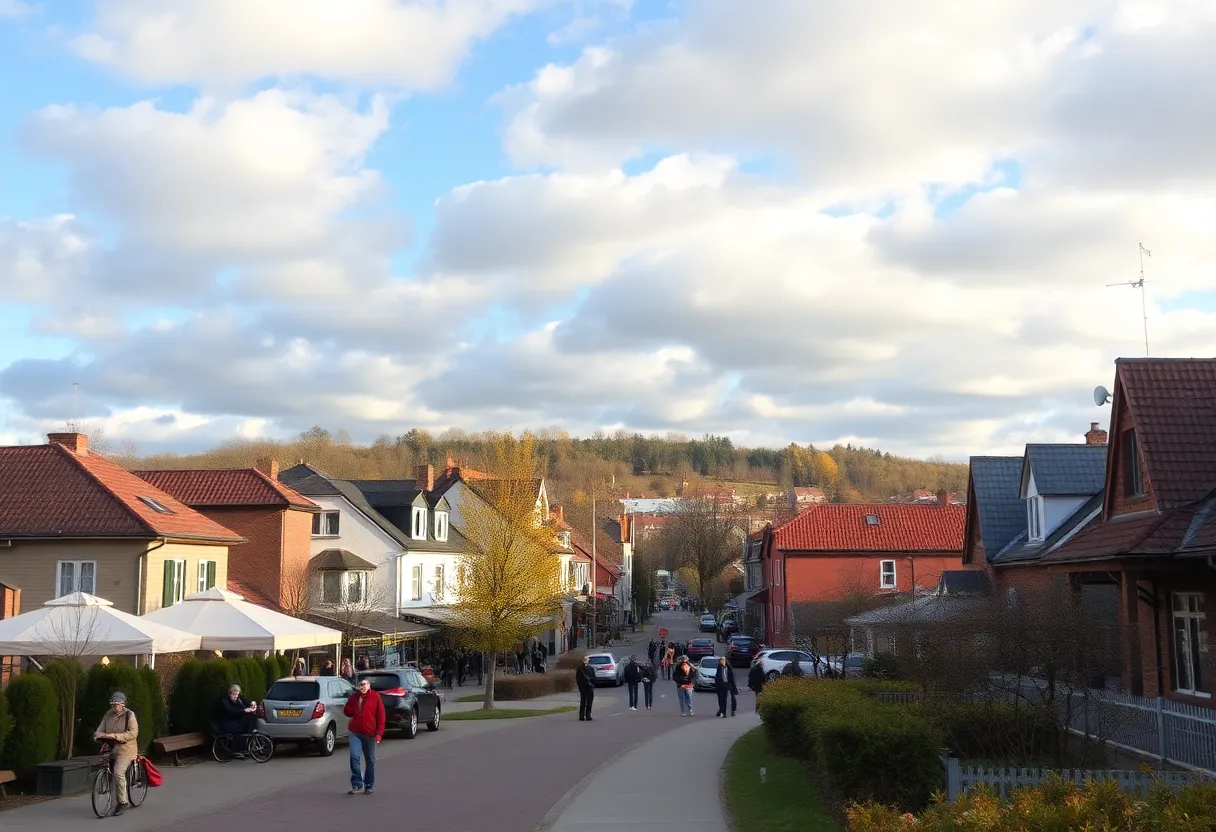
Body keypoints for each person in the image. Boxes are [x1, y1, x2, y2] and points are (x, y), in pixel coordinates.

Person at [94, 691, 138, 816]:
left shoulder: (130, 715)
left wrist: (116, 736)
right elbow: (100, 729)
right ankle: (109, 794)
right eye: (113, 704)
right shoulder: (108, 714)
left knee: (118, 772)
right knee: (105, 767)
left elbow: (133, 733)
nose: (115, 707)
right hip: (111, 749)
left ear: (123, 704)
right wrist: (98, 735)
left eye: (117, 704)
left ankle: (123, 802)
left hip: (126, 750)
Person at [343, 676, 385, 795]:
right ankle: (356, 783)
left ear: (369, 685)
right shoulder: (354, 697)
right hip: (355, 732)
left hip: (369, 733)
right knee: (354, 757)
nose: (363, 687)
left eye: (364, 684)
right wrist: (353, 708)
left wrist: (379, 733)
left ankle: (369, 785)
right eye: (360, 685)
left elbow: (381, 716)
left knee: (370, 759)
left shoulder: (375, 697)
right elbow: (347, 711)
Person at [216, 684, 258, 757]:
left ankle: (250, 736)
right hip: (226, 722)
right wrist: (244, 711)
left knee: (252, 717)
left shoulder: (238, 700)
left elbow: (244, 706)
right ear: (230, 693)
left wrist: (251, 706)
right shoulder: (224, 701)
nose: (236, 696)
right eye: (234, 694)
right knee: (238, 730)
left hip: (235, 720)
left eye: (237, 694)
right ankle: (238, 751)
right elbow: (231, 711)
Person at [576, 654, 596, 721]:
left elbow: (594, 678)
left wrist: (592, 685)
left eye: (587, 660)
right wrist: (580, 688)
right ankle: (581, 716)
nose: (586, 661)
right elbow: (578, 679)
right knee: (583, 702)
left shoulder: (591, 668)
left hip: (590, 687)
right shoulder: (580, 669)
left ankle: (588, 715)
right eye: (585, 660)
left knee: (589, 702)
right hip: (583, 688)